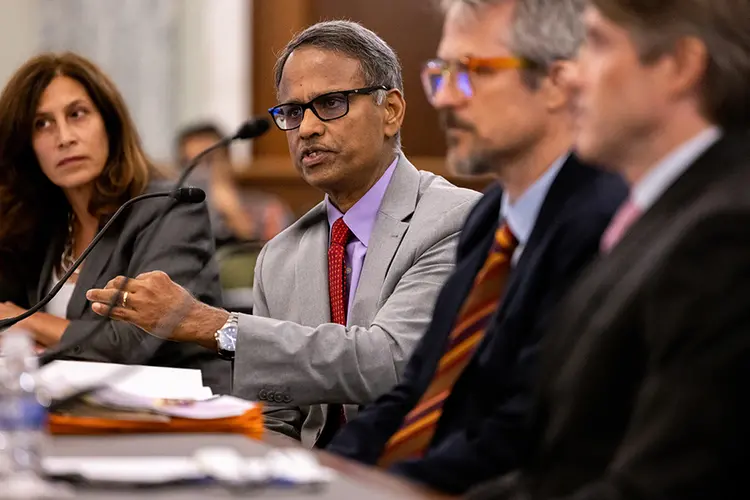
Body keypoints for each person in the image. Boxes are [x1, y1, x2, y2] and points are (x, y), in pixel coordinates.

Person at [86, 20, 480, 445]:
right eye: (293, 112)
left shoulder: (455, 219)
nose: (307, 128)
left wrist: (214, 325)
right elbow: (273, 418)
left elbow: (390, 363)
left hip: (414, 472)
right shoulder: (279, 256)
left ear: (391, 111)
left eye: (330, 103)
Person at [325, 0, 627, 494]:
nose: (444, 98)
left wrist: (377, 490)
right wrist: (325, 476)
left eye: (469, 71)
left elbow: (524, 430)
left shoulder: (602, 223)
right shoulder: (490, 213)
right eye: (440, 73)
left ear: (556, 82)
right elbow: (417, 389)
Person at [467, 1, 750, 499]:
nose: (570, 77)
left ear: (679, 65)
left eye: (596, 43)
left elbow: (660, 487)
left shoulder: (725, 235)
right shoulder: (663, 214)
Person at [0, 52, 229, 393]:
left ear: (109, 123)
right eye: (42, 124)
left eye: (77, 115)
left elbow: (132, 342)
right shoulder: (45, 224)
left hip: (177, 415)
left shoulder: (170, 207)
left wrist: (23, 320)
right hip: (73, 411)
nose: (64, 137)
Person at [175, 122, 293, 246]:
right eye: (189, 165)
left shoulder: (268, 210)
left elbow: (277, 258)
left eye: (208, 161)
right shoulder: (175, 214)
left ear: (228, 161)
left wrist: (234, 214)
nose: (200, 173)